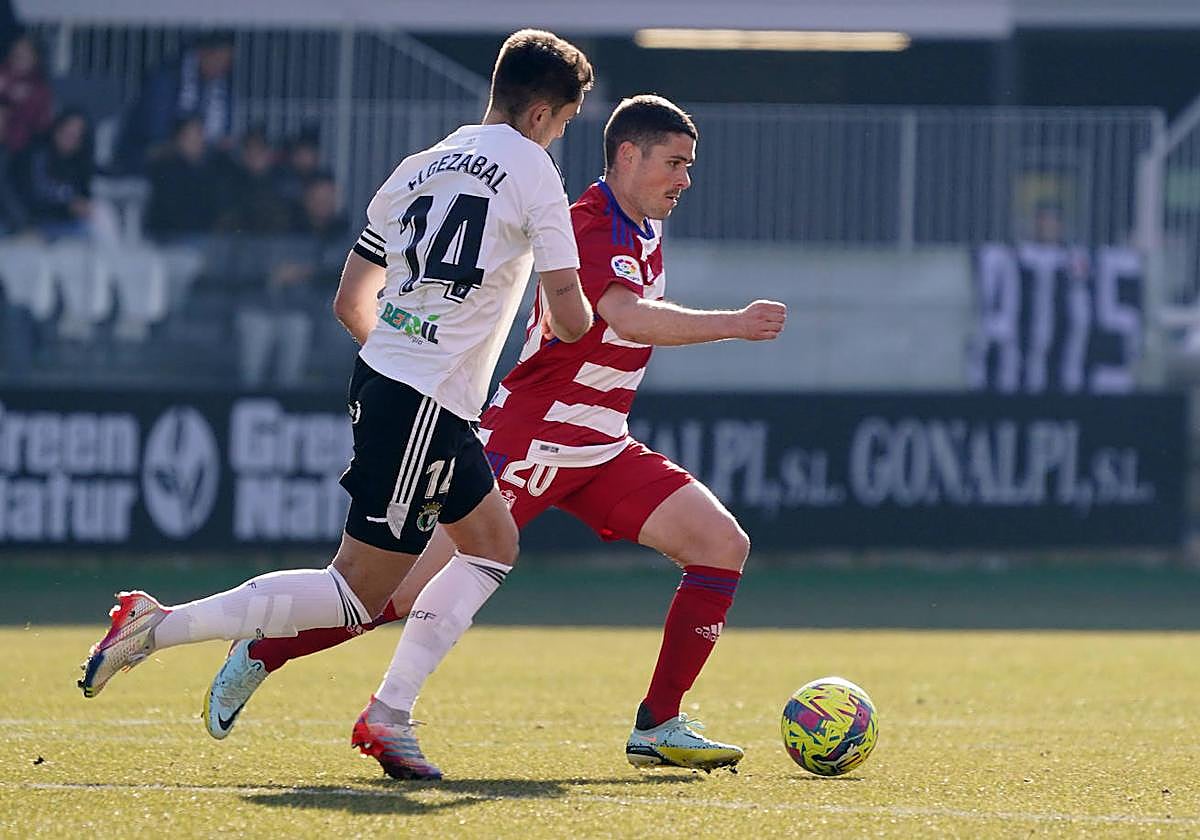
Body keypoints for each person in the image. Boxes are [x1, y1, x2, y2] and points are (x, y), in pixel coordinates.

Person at [204, 96, 788, 778]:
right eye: (675, 163)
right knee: (397, 591)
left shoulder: (645, 227)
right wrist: (735, 323)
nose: (685, 179)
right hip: (531, 439)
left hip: (599, 444)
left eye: (689, 165)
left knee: (721, 545)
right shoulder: (590, 225)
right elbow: (628, 318)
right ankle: (261, 652)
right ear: (627, 156)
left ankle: (658, 724)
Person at [78, 28, 595, 740]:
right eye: (565, 123)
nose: (559, 136)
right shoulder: (535, 170)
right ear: (543, 115)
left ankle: (390, 715)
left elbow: (351, 300)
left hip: (399, 384)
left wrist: (405, 350)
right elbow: (569, 318)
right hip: (425, 401)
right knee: (356, 592)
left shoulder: (419, 165)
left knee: (491, 544)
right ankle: (158, 626)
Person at [115, 30, 236, 173]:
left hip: (200, 162)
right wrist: (185, 142)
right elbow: (155, 132)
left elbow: (222, 132)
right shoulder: (166, 78)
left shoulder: (222, 85)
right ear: (202, 54)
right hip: (149, 156)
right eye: (220, 60)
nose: (224, 67)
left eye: (228, 62)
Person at [10, 108, 94, 239]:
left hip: (65, 229)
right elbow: (27, 198)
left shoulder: (81, 164)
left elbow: (84, 198)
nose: (70, 140)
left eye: (77, 136)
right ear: (57, 129)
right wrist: (67, 208)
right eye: (67, 133)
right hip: (26, 225)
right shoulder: (36, 154)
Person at [0, 32, 52, 155]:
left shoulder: (40, 88)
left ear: (36, 58)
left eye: (25, 52)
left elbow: (41, 122)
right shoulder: (3, 72)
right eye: (16, 51)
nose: (19, 55)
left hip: (21, 147)